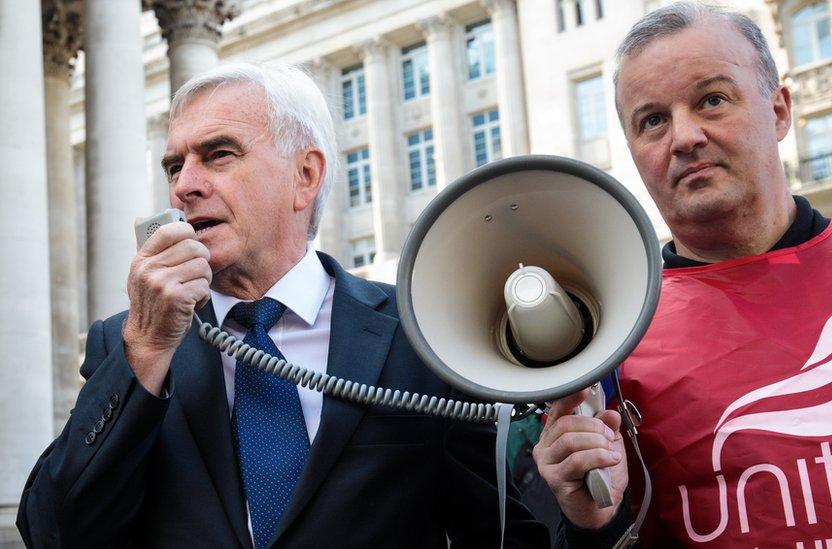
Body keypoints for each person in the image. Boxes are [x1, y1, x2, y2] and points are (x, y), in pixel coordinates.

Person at [17, 63, 552, 548]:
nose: (185, 186)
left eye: (218, 155)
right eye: (174, 166)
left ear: (305, 176)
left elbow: (502, 534)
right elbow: (53, 532)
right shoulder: (130, 342)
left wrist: (588, 520)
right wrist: (148, 348)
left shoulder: (418, 333)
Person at [535, 2, 832, 547]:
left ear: (780, 110)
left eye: (712, 100)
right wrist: (592, 523)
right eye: (653, 120)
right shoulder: (605, 345)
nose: (684, 136)